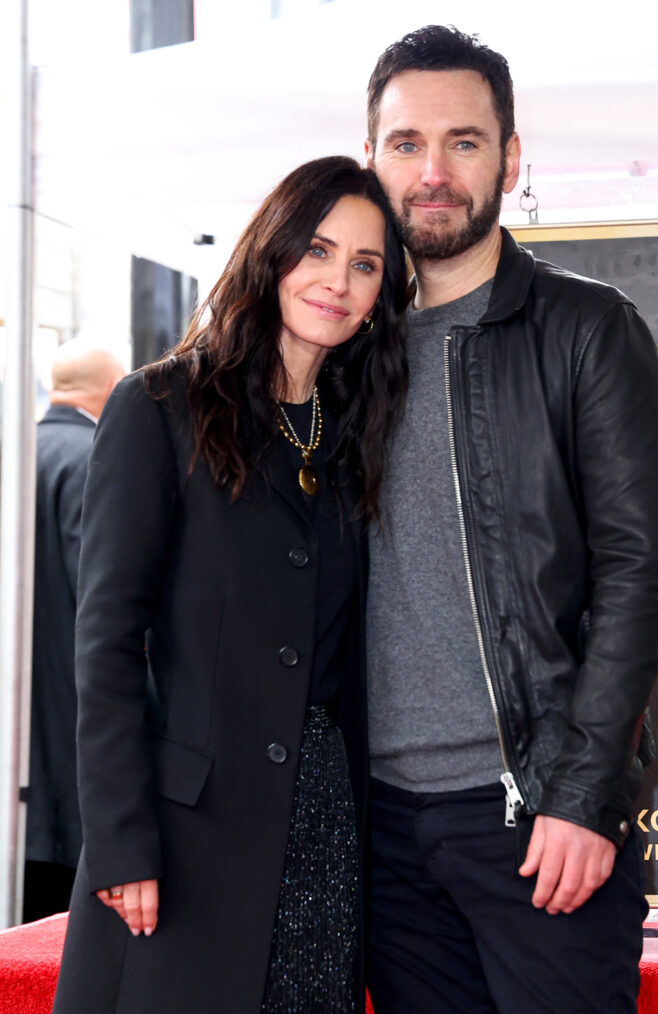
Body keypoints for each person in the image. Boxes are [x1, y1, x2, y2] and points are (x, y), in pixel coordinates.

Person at [363, 25, 658, 1014]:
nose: (432, 172)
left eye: (462, 142)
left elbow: (645, 576)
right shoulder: (342, 350)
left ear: (509, 157)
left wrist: (587, 797)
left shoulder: (587, 329)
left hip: (535, 820)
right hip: (379, 831)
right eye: (405, 143)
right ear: (370, 158)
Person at [52, 155, 408, 1014]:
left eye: (365, 266)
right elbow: (104, 641)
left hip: (323, 820)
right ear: (271, 252)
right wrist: (121, 839)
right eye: (318, 251)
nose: (338, 281)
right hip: (184, 836)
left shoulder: (357, 431)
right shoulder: (160, 406)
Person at [25, 341, 125, 924]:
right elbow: (104, 594)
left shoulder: (20, 452)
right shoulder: (92, 457)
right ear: (112, 391)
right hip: (71, 710)